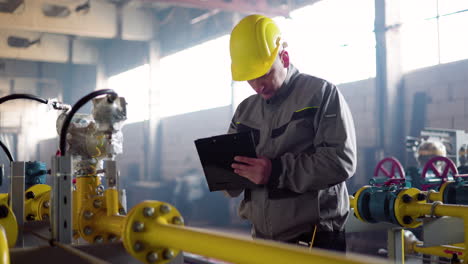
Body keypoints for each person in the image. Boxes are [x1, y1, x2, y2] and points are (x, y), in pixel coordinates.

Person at [225, 14, 357, 252]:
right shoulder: (246, 110)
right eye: (250, 78)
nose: (258, 85)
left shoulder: (321, 94)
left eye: (264, 73)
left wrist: (275, 171)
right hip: (263, 239)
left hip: (316, 240)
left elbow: (341, 161)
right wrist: (224, 174)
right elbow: (232, 179)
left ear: (284, 58)